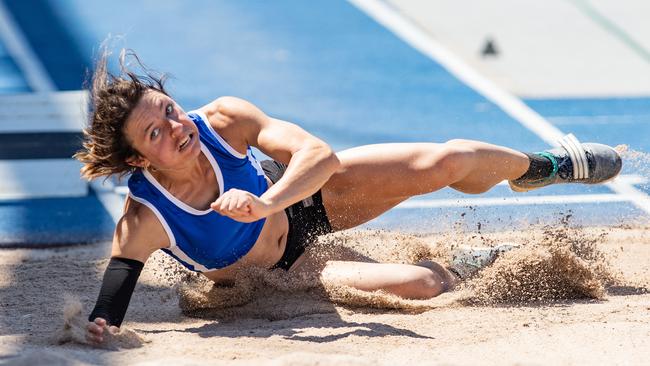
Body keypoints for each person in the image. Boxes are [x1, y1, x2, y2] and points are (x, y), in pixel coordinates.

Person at [76, 50, 622, 345]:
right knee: (424, 284)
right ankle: (474, 261)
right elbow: (118, 281)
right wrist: (103, 323)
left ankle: (545, 165)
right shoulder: (146, 216)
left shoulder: (223, 119)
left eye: (167, 110)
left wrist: (266, 203)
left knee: (446, 161)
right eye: (155, 134)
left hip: (302, 198)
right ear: (138, 162)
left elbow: (318, 155)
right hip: (287, 270)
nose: (175, 128)